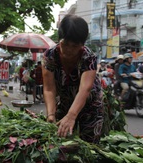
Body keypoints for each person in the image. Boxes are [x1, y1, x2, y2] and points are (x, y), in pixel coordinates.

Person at [42, 14, 104, 143]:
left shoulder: (88, 57)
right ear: (60, 39)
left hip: (90, 105)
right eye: (65, 44)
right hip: (65, 103)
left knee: (89, 145)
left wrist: (71, 116)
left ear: (82, 44)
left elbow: (85, 90)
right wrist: (51, 114)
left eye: (75, 46)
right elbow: (49, 89)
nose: (69, 50)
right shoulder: (50, 56)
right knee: (60, 144)